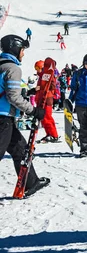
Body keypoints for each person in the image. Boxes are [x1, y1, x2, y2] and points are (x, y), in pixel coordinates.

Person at [0, 35, 49, 197]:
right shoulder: (12, 68)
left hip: (5, 118)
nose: (23, 54)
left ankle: (31, 183)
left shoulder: (2, 65)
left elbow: (7, 92)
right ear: (14, 49)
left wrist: (27, 93)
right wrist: (33, 111)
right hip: (2, 118)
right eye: (22, 50)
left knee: (20, 148)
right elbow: (13, 97)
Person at [32, 58, 60, 143]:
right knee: (43, 119)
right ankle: (49, 134)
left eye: (38, 68)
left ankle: (54, 135)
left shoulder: (47, 75)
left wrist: (41, 88)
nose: (37, 71)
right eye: (36, 69)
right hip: (41, 99)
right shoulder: (41, 76)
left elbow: (52, 86)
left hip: (47, 99)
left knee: (47, 118)